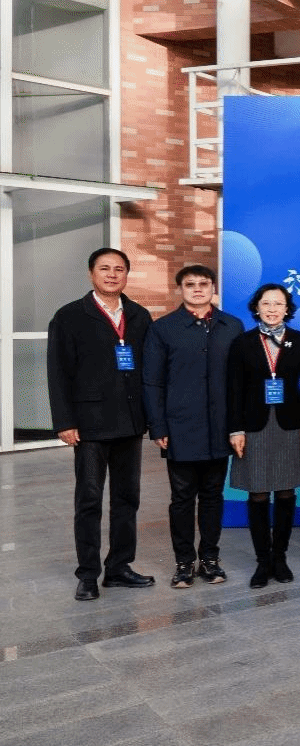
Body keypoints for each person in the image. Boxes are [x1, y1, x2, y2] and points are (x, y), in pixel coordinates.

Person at [48, 247, 156, 601]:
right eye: (105, 268)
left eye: (119, 269)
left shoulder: (139, 315)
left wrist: (150, 419)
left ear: (126, 275)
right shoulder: (69, 317)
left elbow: (148, 371)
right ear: (91, 273)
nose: (112, 274)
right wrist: (64, 422)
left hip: (130, 422)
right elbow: (58, 373)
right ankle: (88, 575)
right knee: (90, 500)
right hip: (90, 425)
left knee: (127, 499)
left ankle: (119, 567)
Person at [143, 264, 243, 589]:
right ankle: (184, 562)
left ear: (213, 288)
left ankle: (210, 559)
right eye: (190, 284)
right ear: (180, 289)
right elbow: (152, 382)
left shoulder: (232, 326)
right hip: (180, 427)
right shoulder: (164, 328)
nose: (198, 289)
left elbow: (241, 383)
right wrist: (158, 427)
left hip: (220, 427)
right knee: (182, 498)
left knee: (213, 495)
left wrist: (238, 427)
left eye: (204, 283)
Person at [227, 283, 300, 589]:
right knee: (258, 493)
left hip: (291, 425)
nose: (272, 309)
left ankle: (280, 557)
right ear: (257, 307)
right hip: (254, 426)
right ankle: (262, 561)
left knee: (287, 492)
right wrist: (236, 429)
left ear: (287, 309)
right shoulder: (243, 343)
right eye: (266, 303)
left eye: (279, 304)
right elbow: (234, 389)